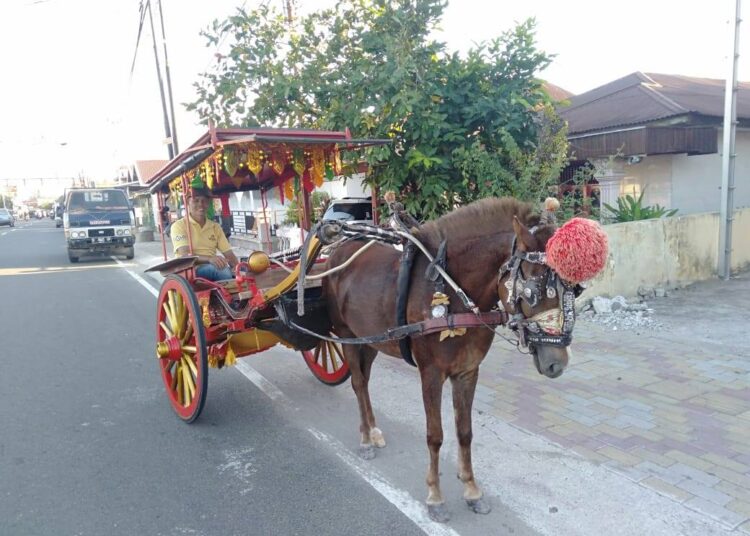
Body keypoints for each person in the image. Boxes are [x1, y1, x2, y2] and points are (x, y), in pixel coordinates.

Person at [170, 187, 239, 281]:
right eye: (196, 200)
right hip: (190, 270)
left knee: (240, 274)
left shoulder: (215, 227)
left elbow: (228, 253)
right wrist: (210, 259)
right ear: (187, 202)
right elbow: (184, 255)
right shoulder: (178, 226)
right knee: (222, 271)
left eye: (204, 201)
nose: (201, 205)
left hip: (212, 266)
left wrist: (239, 268)